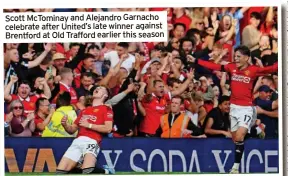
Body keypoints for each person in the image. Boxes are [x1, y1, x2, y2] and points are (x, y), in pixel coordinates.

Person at [189, 45, 278, 173]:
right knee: (236, 138)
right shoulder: (231, 67)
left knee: (240, 135)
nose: (235, 58)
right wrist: (196, 61)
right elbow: (215, 66)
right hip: (234, 108)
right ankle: (254, 131)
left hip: (247, 108)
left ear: (247, 58)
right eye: (235, 56)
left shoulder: (253, 70)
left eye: (238, 56)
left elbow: (272, 68)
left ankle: (235, 168)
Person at [56, 86, 115, 174]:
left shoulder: (107, 109)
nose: (97, 88)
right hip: (78, 141)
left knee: (88, 171)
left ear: (106, 95)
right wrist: (65, 125)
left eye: (101, 88)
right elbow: (72, 129)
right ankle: (79, 167)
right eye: (97, 88)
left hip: (92, 141)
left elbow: (108, 128)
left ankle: (106, 171)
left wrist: (89, 125)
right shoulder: (85, 111)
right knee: (60, 172)